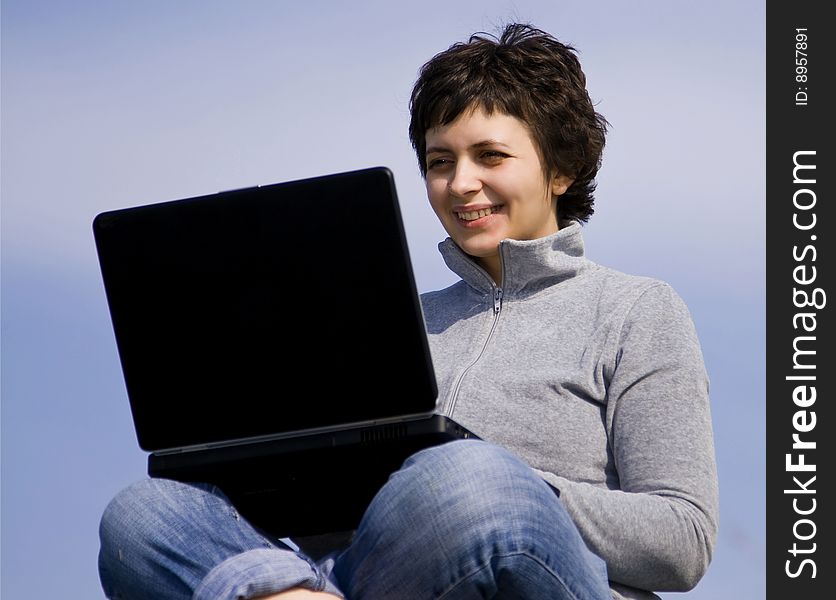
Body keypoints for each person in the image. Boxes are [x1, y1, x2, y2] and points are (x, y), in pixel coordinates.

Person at [98, 23, 718, 600]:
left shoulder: (637, 310)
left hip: (528, 570)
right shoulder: (389, 323)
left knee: (468, 478)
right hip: (365, 574)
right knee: (144, 514)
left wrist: (520, 484)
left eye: (490, 156)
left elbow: (682, 539)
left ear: (562, 169)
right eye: (439, 161)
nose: (460, 183)